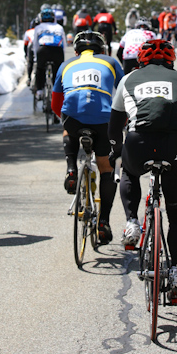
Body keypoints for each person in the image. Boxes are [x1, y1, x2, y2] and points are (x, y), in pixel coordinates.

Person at [108, 38, 177, 304]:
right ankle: (175, 274)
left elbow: (114, 127)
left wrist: (116, 152)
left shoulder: (128, 79)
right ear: (171, 61)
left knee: (128, 173)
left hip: (138, 143)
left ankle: (132, 223)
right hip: (175, 146)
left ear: (141, 60)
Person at [51, 30, 124, 244]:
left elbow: (56, 102)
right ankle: (104, 222)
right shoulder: (111, 62)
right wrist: (122, 123)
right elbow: (124, 93)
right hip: (104, 120)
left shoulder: (66, 65)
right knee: (106, 169)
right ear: (103, 50)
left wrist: (66, 119)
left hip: (73, 119)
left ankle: (71, 169)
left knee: (68, 128)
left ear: (76, 50)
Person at [33, 8, 66, 99]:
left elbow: (35, 44)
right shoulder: (59, 27)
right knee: (58, 72)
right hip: (57, 51)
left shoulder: (38, 27)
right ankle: (58, 92)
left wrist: (36, 58)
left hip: (43, 49)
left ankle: (39, 91)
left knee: (40, 69)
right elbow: (64, 43)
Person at [23, 18, 38, 86]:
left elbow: (25, 45)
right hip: (40, 47)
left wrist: (26, 54)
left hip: (31, 47)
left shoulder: (28, 31)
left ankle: (29, 78)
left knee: (30, 62)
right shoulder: (42, 29)